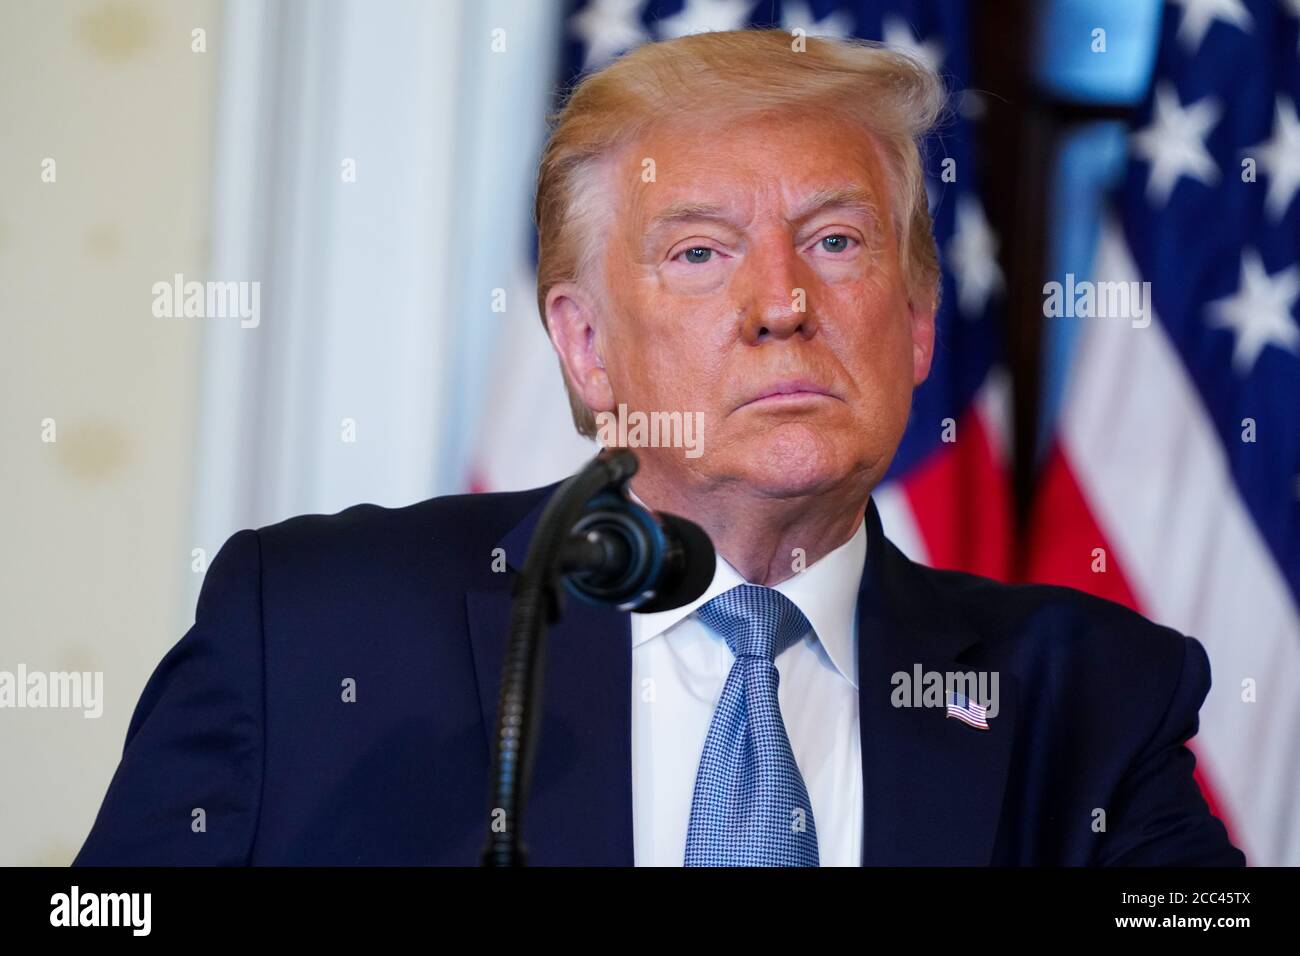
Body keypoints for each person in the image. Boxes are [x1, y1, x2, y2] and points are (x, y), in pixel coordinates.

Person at [75, 29, 1244, 867]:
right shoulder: (316, 629)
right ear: (583, 345)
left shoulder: (1089, 700)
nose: (781, 302)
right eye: (698, 252)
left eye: (835, 240)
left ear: (920, 319)